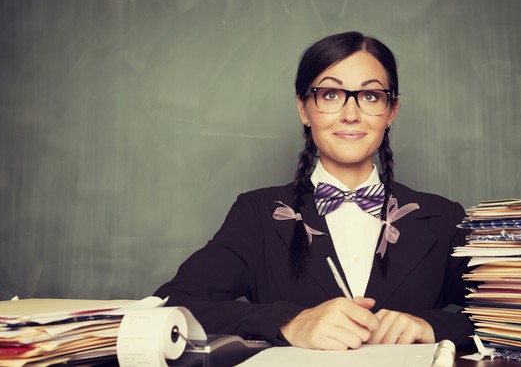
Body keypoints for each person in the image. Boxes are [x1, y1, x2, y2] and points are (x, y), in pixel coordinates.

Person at [154, 31, 474, 350]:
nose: (351, 114)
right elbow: (169, 305)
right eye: (331, 95)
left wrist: (432, 326)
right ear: (304, 109)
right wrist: (289, 322)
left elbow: (515, 316)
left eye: (371, 96)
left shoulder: (444, 219)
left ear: (392, 111)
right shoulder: (257, 214)